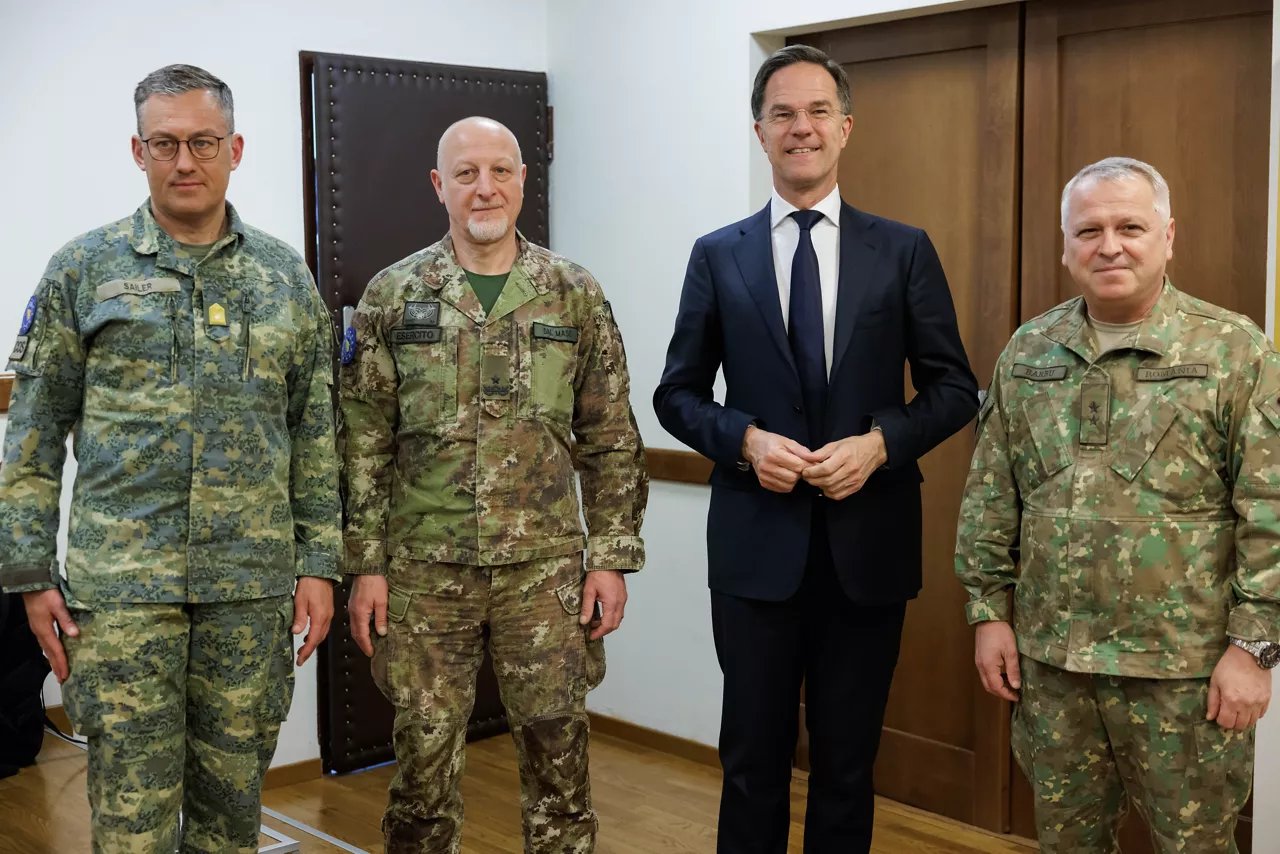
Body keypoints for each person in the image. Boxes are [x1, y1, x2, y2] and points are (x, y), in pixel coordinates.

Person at [0, 64, 340, 853]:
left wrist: (321, 563)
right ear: (138, 150)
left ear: (235, 149)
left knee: (231, 823)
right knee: (131, 826)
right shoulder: (83, 270)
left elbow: (315, 435)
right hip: (123, 597)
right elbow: (33, 434)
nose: (185, 161)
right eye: (165, 143)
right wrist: (29, 575)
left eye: (203, 142)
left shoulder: (285, 278)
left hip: (248, 593)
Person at [653, 44, 978, 854]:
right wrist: (743, 440)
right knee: (751, 764)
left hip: (867, 552)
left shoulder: (902, 250)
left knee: (846, 766)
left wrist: (879, 445)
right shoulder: (717, 254)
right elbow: (677, 395)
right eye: (783, 114)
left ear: (846, 127)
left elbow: (953, 389)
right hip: (755, 555)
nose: (801, 127)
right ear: (760, 133)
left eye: (818, 111)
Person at [340, 116, 648, 853]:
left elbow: (610, 434)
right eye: (467, 173)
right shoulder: (393, 294)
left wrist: (610, 556)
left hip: (544, 574)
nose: (486, 188)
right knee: (421, 774)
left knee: (559, 770)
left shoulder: (572, 293)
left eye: (501, 171)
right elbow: (362, 443)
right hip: (424, 574)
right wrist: (365, 566)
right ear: (439, 186)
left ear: (522, 180)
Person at [954, 156, 1278, 853]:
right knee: (1067, 844)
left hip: (1185, 675)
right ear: (1065, 247)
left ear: (1168, 236)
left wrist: (1254, 650)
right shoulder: (1029, 351)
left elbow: (1271, 511)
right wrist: (988, 612)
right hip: (1055, 668)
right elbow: (990, 495)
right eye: (1089, 230)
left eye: (1130, 227)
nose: (1110, 246)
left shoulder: (1233, 351)